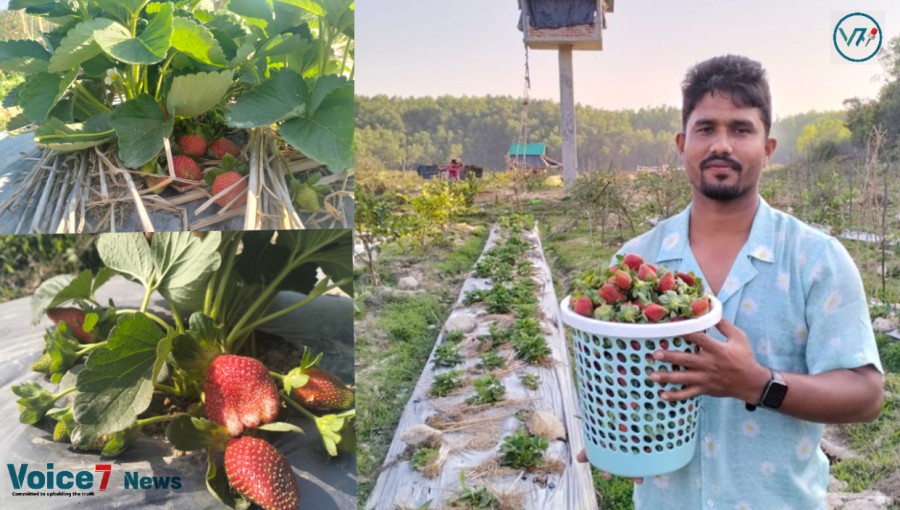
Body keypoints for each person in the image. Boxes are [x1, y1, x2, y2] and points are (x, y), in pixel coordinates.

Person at [581, 55, 884, 509]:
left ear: (767, 148)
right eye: (706, 129)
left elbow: (865, 394)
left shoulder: (814, 259)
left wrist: (758, 384)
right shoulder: (634, 263)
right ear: (682, 144)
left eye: (741, 129)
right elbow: (616, 381)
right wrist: (613, 432)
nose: (721, 144)